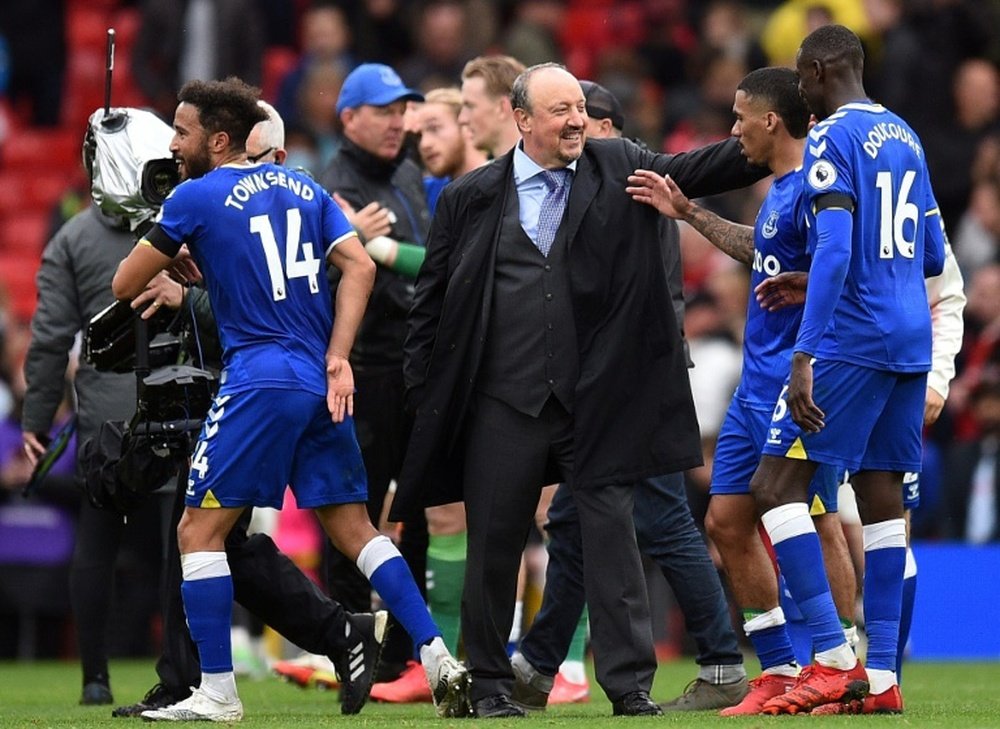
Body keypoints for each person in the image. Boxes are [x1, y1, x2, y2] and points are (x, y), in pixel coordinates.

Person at [394, 63, 767, 718]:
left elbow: (701, 167)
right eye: (560, 110)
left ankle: (629, 689)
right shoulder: (470, 196)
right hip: (503, 401)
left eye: (578, 107)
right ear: (523, 120)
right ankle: (487, 686)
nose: (575, 120)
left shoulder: (616, 162)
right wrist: (423, 391)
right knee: (495, 546)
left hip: (596, 399)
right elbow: (431, 306)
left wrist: (773, 136)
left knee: (612, 545)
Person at [111, 76, 469, 722]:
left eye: (184, 131)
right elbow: (360, 266)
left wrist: (171, 254)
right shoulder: (307, 186)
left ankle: (217, 691)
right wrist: (339, 353)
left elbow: (122, 281)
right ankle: (438, 652)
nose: (174, 142)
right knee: (358, 529)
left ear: (218, 140)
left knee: (198, 529)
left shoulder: (196, 195)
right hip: (317, 377)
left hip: (256, 381)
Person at [626, 67, 859, 716]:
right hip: (756, 383)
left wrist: (809, 334)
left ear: (771, 122)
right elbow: (762, 252)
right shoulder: (779, 189)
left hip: (803, 376)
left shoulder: (821, 181)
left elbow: (852, 271)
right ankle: (780, 667)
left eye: (739, 118)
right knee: (726, 521)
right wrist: (691, 212)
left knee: (811, 517)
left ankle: (839, 661)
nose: (732, 132)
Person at [511, 79, 749, 714]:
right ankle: (537, 666)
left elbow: (660, 296)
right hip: (603, 385)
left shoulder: (636, 179)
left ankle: (722, 660)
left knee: (662, 523)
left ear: (609, 130)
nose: (578, 130)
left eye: (586, 118)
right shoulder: (572, 189)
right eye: (565, 115)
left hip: (638, 383)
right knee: (577, 525)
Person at [748, 25, 945, 715]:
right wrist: (839, 275)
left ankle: (832, 657)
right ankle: (884, 678)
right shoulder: (907, 137)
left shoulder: (831, 136)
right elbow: (928, 254)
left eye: (803, 77)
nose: (801, 91)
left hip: (852, 338)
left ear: (824, 68)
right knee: (883, 498)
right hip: (909, 336)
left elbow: (834, 245)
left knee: (774, 485)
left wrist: (804, 352)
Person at [20, 137, 172, 706]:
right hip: (172, 405)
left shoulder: (70, 238)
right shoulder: (173, 222)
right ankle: (184, 671)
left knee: (98, 543)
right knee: (182, 543)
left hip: (104, 419)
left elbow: (50, 340)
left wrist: (36, 419)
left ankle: (94, 678)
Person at [317, 62, 434, 686]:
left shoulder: (411, 176)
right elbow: (313, 286)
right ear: (349, 118)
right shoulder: (327, 184)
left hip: (414, 369)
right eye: (384, 111)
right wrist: (352, 241)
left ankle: (400, 655)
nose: (397, 122)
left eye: (401, 110)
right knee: (352, 511)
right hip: (361, 370)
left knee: (414, 509)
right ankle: (349, 646)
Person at [458, 55, 526, 158]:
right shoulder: (480, 173)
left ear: (502, 108)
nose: (462, 119)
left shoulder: (551, 170)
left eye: (470, 106)